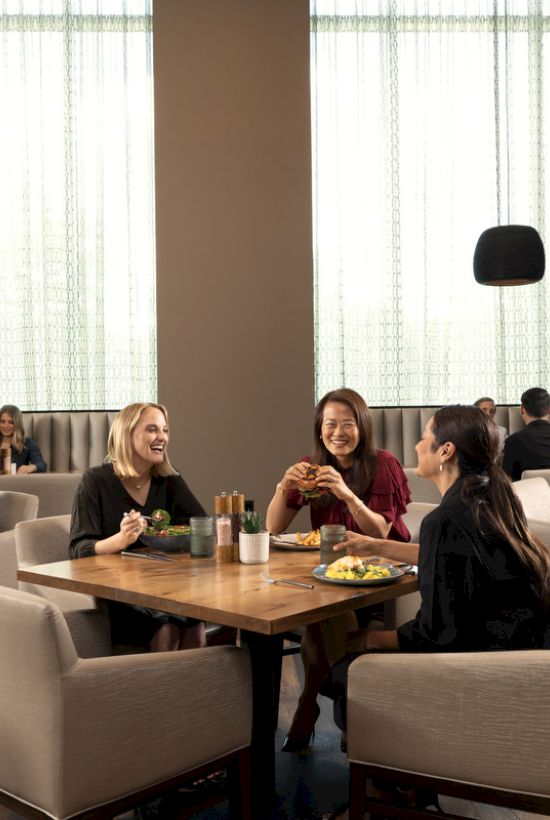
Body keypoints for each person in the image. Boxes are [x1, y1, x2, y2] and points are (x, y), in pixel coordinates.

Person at [266, 388, 413, 752]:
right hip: (330, 574)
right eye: (330, 424)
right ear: (319, 429)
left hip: (384, 573)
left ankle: (309, 710)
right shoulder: (312, 468)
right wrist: (284, 485)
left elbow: (381, 530)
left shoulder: (383, 464)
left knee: (321, 633)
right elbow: (272, 528)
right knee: (324, 621)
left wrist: (347, 494)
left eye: (348, 424)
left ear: (362, 427)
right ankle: (347, 720)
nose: (339, 432)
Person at [69, 402, 206, 651]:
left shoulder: (169, 479)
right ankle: (157, 691)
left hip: (167, 587)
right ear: (127, 434)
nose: (162, 437)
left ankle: (190, 691)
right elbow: (78, 549)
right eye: (152, 429)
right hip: (118, 593)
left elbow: (201, 525)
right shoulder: (95, 481)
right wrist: (120, 540)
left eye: (165, 430)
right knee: (167, 631)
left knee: (195, 627)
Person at [502, 387, 550, 481]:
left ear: (522, 410)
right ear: (549, 410)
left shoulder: (513, 441)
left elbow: (507, 481)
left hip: (527, 494)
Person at [0, 404, 47, 473]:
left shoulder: (27, 443)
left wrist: (31, 467)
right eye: (2, 422)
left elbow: (42, 465)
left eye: (11, 422)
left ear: (17, 424)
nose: (6, 425)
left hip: (14, 482)